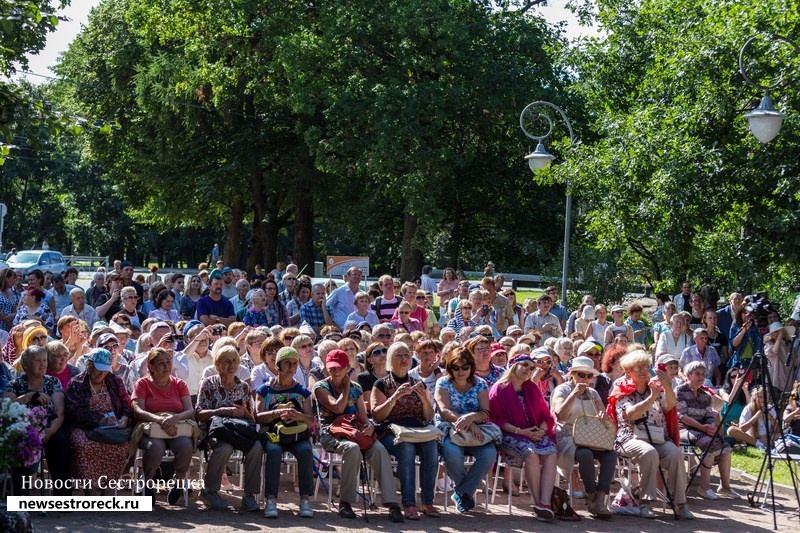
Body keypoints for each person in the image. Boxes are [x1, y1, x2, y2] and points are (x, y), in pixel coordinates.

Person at [314, 349, 403, 522]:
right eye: (332, 367)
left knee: (379, 449)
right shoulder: (321, 387)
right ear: (326, 367)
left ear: (347, 367)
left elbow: (363, 415)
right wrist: (347, 387)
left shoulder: (357, 388)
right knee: (352, 449)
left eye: (339, 367)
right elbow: (338, 408)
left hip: (356, 431)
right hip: (331, 432)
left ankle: (392, 504)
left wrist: (369, 427)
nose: (335, 371)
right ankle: (345, 502)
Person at [606, 349, 693, 519]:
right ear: (628, 371)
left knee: (676, 453)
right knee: (649, 452)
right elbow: (630, 414)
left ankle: (681, 503)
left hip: (657, 436)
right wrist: (651, 398)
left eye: (646, 366)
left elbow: (669, 406)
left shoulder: (654, 385)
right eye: (638, 368)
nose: (644, 370)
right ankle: (645, 503)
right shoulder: (621, 386)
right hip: (629, 437)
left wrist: (666, 385)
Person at [371, 343, 440, 519]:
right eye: (398, 356)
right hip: (392, 431)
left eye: (406, 356)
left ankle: (427, 502)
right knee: (406, 448)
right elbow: (377, 416)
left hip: (418, 429)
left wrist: (424, 400)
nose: (403, 359)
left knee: (432, 447)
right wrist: (395, 397)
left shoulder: (418, 383)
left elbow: (428, 416)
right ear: (390, 360)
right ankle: (409, 503)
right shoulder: (381, 384)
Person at [490, 352, 559, 520]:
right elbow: (498, 420)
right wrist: (522, 432)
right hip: (510, 434)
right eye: (525, 365)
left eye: (531, 367)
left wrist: (542, 430)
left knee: (551, 451)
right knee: (531, 453)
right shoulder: (499, 389)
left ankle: (545, 503)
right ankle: (538, 502)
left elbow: (545, 415)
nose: (529, 370)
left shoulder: (532, 388)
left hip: (534, 432)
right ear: (514, 366)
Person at [196, 345, 263, 512]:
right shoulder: (208, 384)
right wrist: (221, 411)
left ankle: (249, 495)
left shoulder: (243, 387)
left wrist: (245, 412)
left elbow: (251, 418)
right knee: (224, 448)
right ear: (218, 365)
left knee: (256, 447)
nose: (232, 365)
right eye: (226, 361)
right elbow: (199, 414)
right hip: (216, 430)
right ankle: (209, 491)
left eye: (235, 361)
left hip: (238, 430)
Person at [550, 355, 616, 517]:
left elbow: (603, 416)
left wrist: (603, 416)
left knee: (611, 454)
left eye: (589, 375)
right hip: (567, 437)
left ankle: (600, 499)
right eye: (581, 374)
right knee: (585, 454)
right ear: (572, 374)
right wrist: (573, 395)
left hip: (589, 436)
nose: (585, 379)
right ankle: (591, 497)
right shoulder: (562, 390)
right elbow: (560, 416)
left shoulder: (593, 393)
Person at [434, 347, 497, 514]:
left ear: (471, 367)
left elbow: (485, 412)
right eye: (455, 367)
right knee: (452, 453)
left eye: (464, 367)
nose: (460, 371)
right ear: (449, 367)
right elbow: (444, 410)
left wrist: (472, 419)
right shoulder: (443, 382)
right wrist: (466, 421)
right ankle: (465, 494)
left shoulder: (480, 384)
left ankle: (462, 492)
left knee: (489, 454)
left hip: (476, 429)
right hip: (450, 428)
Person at [255, 347, 315, 519]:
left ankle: (305, 500)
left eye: (294, 363)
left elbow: (310, 420)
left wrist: (298, 415)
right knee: (273, 451)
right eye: (287, 362)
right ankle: (271, 499)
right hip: (273, 434)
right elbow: (258, 418)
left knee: (305, 450)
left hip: (297, 434)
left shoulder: (302, 392)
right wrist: (276, 413)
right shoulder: (264, 390)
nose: (291, 366)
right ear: (278, 365)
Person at [3, 346, 71, 496]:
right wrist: (28, 396)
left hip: (49, 428)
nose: (43, 364)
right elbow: (6, 405)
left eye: (45, 360)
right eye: (37, 361)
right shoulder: (16, 384)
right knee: (21, 442)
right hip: (24, 429)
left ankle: (63, 497)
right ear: (26, 364)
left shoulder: (53, 382)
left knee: (60, 441)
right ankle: (21, 498)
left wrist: (50, 431)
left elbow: (59, 412)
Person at [131, 347, 196, 504]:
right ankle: (148, 482)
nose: (166, 366)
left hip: (176, 426)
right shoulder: (142, 384)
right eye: (161, 363)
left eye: (168, 362)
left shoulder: (179, 384)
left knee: (186, 446)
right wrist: (159, 419)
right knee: (155, 447)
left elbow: (190, 410)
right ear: (151, 367)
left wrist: (174, 418)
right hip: (151, 428)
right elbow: (137, 409)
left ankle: (179, 481)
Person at [65, 348, 133, 493]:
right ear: (89, 365)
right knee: (82, 444)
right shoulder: (76, 384)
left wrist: (124, 418)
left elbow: (127, 404)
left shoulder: (115, 381)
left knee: (121, 446)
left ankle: (108, 486)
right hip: (84, 427)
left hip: (112, 427)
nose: (102, 373)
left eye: (104, 370)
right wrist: (100, 420)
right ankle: (90, 487)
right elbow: (74, 412)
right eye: (98, 369)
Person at [675, 361, 740, 499]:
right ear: (688, 375)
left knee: (725, 446)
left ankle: (725, 487)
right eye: (697, 374)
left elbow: (709, 415)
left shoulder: (705, 395)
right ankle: (704, 487)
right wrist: (702, 427)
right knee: (709, 443)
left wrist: (711, 426)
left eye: (703, 374)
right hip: (684, 429)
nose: (701, 377)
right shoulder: (680, 391)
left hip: (702, 429)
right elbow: (682, 416)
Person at [727, 385, 776, 451]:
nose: (763, 400)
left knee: (779, 435)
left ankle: (760, 442)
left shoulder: (771, 408)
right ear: (755, 397)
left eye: (765, 397)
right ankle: (758, 443)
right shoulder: (748, 409)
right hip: (749, 437)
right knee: (731, 430)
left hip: (766, 437)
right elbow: (742, 429)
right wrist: (756, 416)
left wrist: (769, 416)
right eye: (760, 397)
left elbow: (778, 429)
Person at [357, 342, 390, 409]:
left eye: (384, 351)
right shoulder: (364, 377)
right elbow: (369, 404)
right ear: (370, 360)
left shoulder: (393, 374)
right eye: (376, 353)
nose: (382, 355)